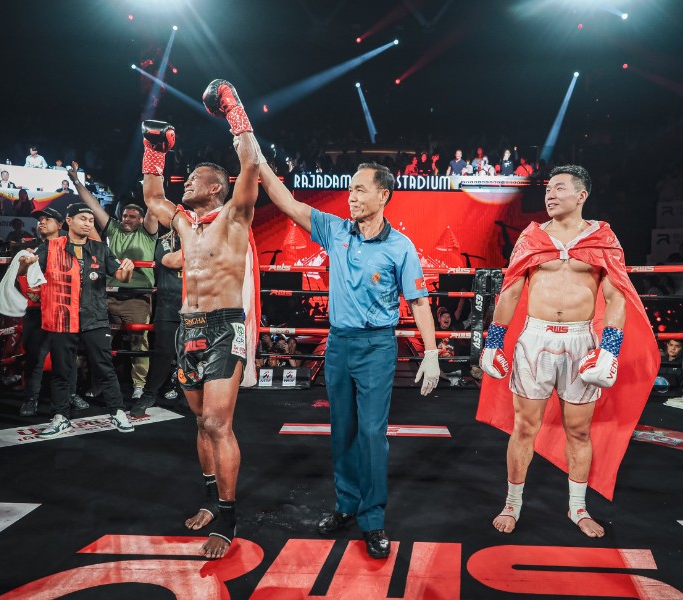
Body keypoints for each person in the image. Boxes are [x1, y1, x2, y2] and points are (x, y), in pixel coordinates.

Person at [258, 157, 440, 559]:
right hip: (339, 344)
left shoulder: (400, 246)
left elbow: (419, 302)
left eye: (360, 189)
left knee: (372, 434)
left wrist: (430, 352)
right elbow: (286, 201)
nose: (351, 197)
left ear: (383, 195)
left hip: (377, 346)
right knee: (342, 430)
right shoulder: (335, 230)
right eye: (351, 189)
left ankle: (372, 519)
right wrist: (256, 158)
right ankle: (345, 505)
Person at [476, 165, 659, 538]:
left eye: (560, 188)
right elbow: (510, 290)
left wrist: (609, 349)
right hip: (535, 340)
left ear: (581, 195)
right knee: (524, 427)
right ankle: (512, 503)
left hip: (580, 341)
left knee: (578, 430)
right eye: (548, 189)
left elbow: (616, 296)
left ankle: (578, 507)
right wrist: (493, 341)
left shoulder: (603, 238)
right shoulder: (531, 237)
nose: (550, 195)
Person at [140, 78, 259, 560]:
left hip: (224, 326)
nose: (185, 183)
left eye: (194, 179)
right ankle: (211, 500)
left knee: (216, 421)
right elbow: (152, 197)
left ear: (216, 187)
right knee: (200, 423)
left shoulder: (234, 216)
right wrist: (154, 150)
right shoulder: (184, 224)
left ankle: (228, 518)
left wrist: (233, 109)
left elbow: (251, 163)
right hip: (187, 328)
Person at [18, 204, 136, 438]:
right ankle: (61, 417)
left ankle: (117, 411)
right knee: (62, 371)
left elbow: (122, 277)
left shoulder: (100, 248)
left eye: (91, 220)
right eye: (83, 218)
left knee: (105, 368)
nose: (88, 223)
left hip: (95, 317)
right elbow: (23, 273)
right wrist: (25, 262)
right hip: (62, 317)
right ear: (69, 221)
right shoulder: (50, 246)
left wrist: (128, 268)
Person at [67, 162, 158, 399]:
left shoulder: (148, 232)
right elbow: (93, 205)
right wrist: (76, 180)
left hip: (136, 298)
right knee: (100, 344)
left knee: (139, 343)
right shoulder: (114, 229)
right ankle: (99, 383)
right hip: (108, 295)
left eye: (132, 216)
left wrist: (151, 181)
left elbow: (153, 207)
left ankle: (139, 386)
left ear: (141, 219)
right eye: (124, 215)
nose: (127, 218)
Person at [16, 207, 88, 417]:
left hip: (64, 309)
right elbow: (21, 277)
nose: (42, 222)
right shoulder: (32, 250)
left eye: (47, 219)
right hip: (38, 310)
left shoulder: (72, 247)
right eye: (40, 220)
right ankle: (31, 398)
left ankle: (71, 394)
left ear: (60, 224)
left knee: (67, 355)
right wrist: (33, 294)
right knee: (35, 356)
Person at [131, 231, 184, 417]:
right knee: (163, 353)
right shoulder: (165, 241)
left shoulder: (205, 239)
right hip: (169, 306)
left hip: (196, 307)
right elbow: (172, 261)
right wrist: (197, 244)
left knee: (197, 355)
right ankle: (149, 395)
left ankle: (189, 396)